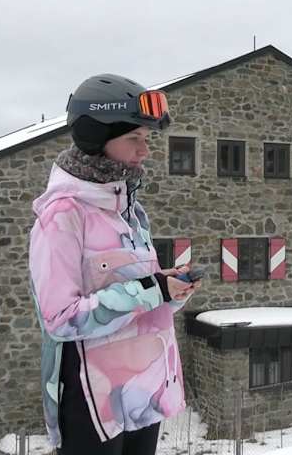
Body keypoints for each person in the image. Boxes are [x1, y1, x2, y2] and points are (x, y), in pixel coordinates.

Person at [28, 74, 200, 455]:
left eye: (147, 139)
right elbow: (59, 319)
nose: (145, 150)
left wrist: (169, 291)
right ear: (95, 138)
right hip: (95, 401)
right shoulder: (62, 216)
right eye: (133, 139)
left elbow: (139, 300)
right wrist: (151, 289)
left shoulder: (130, 211)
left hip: (144, 393)